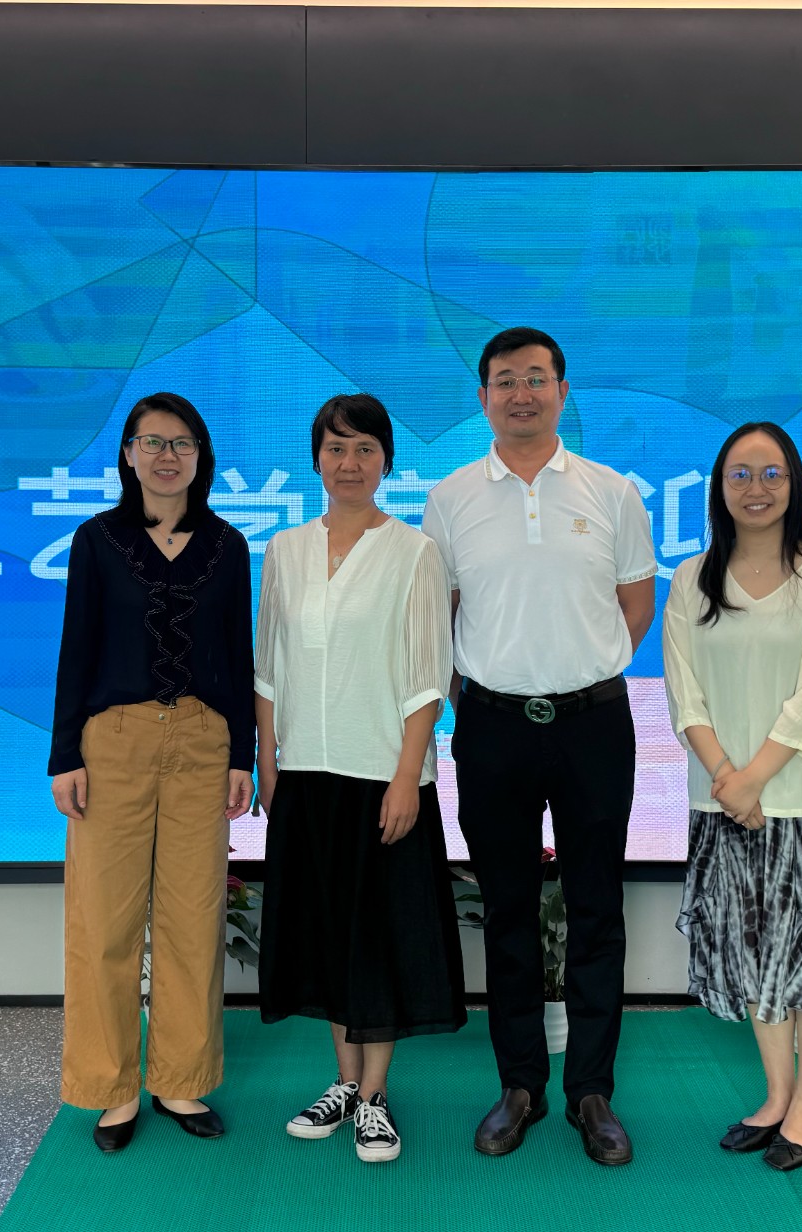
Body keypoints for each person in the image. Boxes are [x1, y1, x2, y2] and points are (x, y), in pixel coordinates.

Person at [423, 327, 656, 1163]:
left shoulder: (612, 491)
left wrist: (576, 672)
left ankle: (591, 1092)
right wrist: (485, 697)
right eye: (504, 380)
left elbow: (635, 606)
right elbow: (443, 617)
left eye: (535, 378)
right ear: (482, 397)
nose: (520, 393)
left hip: (594, 724)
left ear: (562, 389)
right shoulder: (450, 498)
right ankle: (520, 1085)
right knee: (508, 909)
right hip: (491, 726)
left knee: (597, 907)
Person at [254, 393, 467, 1165]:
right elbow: (269, 665)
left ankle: (375, 1097)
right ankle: (343, 1083)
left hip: (381, 775)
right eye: (336, 448)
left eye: (365, 449)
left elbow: (427, 673)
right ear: (316, 458)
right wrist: (268, 759)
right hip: (306, 774)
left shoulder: (413, 551)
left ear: (386, 462)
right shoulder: (284, 549)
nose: (349, 463)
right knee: (325, 935)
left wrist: (408, 775)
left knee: (376, 937)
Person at [48, 392, 256, 1154]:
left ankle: (179, 1077)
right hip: (114, 742)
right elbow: (76, 648)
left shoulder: (228, 546)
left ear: (202, 457)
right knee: (103, 920)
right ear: (128, 454)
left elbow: (237, 654)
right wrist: (64, 754)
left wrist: (242, 754)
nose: (168, 457)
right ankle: (110, 1087)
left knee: (192, 917)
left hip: (202, 739)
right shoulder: (97, 540)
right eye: (153, 442)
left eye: (182, 443)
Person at [662, 421, 802, 1173]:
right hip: (723, 802)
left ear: (795, 483)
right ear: (719, 487)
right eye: (740, 474)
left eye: (771, 473)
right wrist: (728, 777)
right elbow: (684, 694)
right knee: (753, 953)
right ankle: (776, 1095)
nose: (756, 488)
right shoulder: (692, 578)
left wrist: (754, 778)